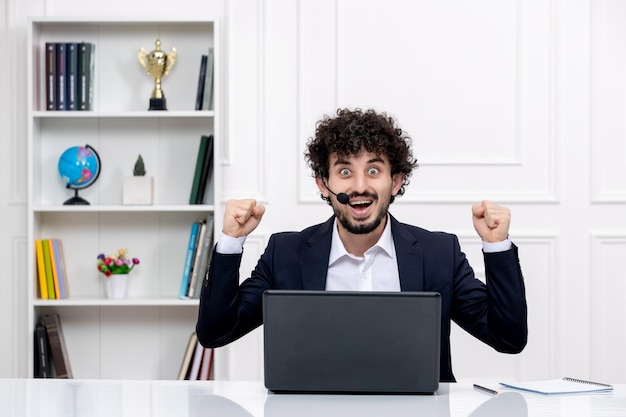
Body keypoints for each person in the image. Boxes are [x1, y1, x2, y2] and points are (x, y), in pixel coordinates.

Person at [196, 108, 527, 382]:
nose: (359, 186)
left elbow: (508, 338)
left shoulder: (440, 254)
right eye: (344, 170)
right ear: (324, 185)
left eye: (373, 170)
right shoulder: (286, 254)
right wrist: (230, 242)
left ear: (395, 181)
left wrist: (496, 248)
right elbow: (216, 332)